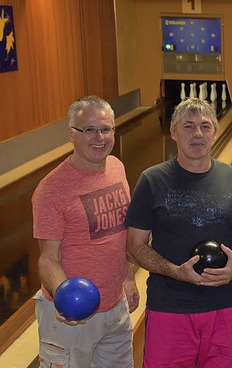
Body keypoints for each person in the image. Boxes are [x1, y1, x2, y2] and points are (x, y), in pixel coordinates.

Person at [125, 98, 232, 368]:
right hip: (169, 306)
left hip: (225, 306)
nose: (197, 133)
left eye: (205, 126)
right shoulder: (152, 180)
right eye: (188, 126)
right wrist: (177, 271)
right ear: (173, 133)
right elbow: (135, 246)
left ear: (215, 132)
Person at [32, 96, 139, 368]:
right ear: (71, 134)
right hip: (72, 316)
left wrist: (128, 277)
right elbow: (48, 258)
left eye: (106, 128)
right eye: (89, 130)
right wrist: (63, 297)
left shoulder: (117, 168)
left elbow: (120, 233)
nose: (99, 137)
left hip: (115, 308)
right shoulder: (51, 189)